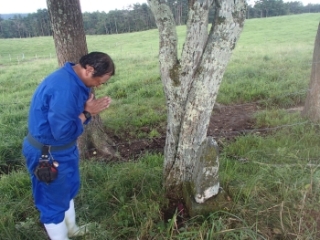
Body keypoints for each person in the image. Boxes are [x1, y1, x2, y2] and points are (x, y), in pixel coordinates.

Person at [22, 52, 115, 240]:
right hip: (48, 154)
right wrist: (88, 113)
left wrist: (85, 108)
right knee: (52, 203)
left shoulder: (73, 79)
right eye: (101, 81)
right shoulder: (65, 89)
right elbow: (62, 132)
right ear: (89, 70)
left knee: (67, 191)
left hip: (62, 150)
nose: (99, 86)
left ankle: (71, 229)